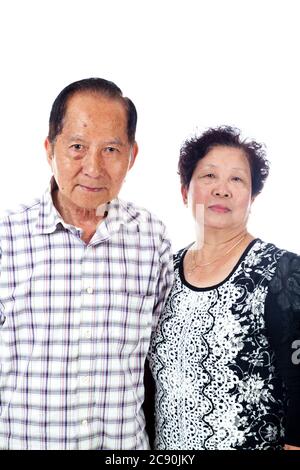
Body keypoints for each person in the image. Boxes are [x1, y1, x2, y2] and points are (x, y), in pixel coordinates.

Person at [0, 78, 173, 450]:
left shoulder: (152, 238)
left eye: (111, 149)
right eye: (77, 147)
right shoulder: (7, 237)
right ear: (50, 148)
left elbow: (160, 360)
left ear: (132, 155)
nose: (93, 167)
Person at [148, 126, 300, 450]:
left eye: (237, 179)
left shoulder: (283, 272)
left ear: (252, 197)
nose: (222, 189)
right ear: (184, 192)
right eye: (209, 176)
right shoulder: (161, 273)